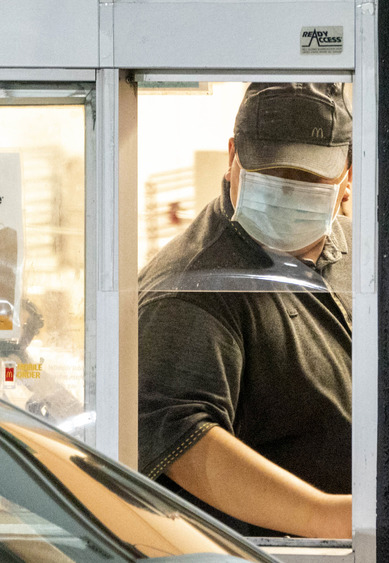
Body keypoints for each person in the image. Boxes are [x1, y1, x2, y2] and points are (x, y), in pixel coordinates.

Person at [137, 83, 353, 538]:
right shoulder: (191, 286)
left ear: (347, 177)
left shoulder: (361, 249)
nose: (287, 192)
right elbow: (180, 438)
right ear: (232, 155)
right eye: (270, 172)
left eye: (310, 179)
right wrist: (328, 517)